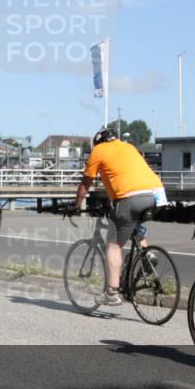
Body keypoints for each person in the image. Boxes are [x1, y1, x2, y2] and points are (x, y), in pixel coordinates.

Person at [71, 126, 167, 306]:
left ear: (98, 142)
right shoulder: (128, 146)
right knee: (131, 221)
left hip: (131, 197)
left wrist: (76, 205)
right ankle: (147, 254)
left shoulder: (98, 151)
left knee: (113, 245)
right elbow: (125, 174)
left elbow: (86, 183)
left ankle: (112, 293)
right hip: (157, 194)